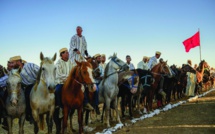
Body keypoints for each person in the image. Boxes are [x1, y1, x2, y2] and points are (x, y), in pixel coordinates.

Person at [10, 55, 40, 123]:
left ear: (18, 61)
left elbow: (41, 72)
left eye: (12, 63)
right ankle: (30, 115)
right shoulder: (14, 71)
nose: (11, 65)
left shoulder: (31, 65)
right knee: (25, 98)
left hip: (38, 84)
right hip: (27, 87)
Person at [55, 48, 74, 118]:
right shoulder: (58, 63)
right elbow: (59, 75)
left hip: (70, 82)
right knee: (57, 91)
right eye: (66, 53)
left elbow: (73, 72)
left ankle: (84, 103)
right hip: (61, 82)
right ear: (61, 54)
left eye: (68, 53)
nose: (68, 54)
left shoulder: (71, 62)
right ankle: (60, 107)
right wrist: (69, 77)